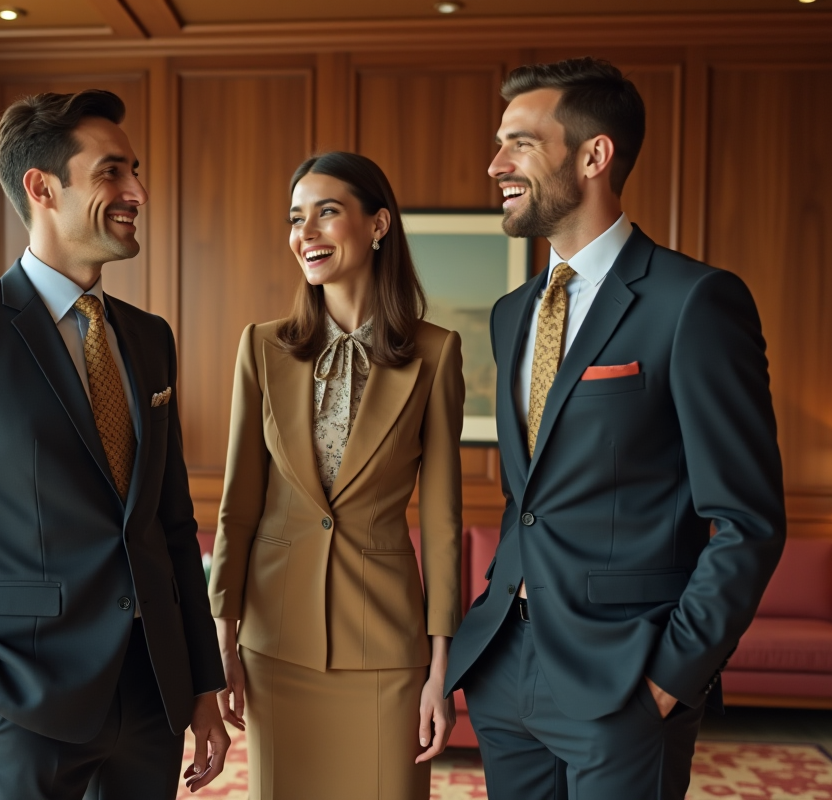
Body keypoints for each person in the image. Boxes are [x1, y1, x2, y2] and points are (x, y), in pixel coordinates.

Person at [0, 89, 229, 800]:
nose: (137, 192)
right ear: (41, 187)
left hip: (152, 697)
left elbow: (171, 529)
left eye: (136, 171)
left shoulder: (150, 340)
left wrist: (202, 684)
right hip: (23, 700)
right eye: (112, 172)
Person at [444, 58, 786, 799]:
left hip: (626, 681)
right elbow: (527, 499)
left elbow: (748, 520)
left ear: (594, 155)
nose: (496, 163)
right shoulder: (513, 314)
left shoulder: (694, 302)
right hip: (505, 669)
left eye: (520, 143)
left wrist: (672, 677)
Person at [208, 151, 465, 799]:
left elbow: (441, 522)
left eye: (327, 212)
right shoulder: (261, 346)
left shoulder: (435, 354)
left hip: (385, 646)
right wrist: (224, 637)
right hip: (275, 642)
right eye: (297, 218)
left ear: (379, 225)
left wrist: (441, 670)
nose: (307, 232)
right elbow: (238, 504)